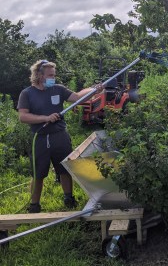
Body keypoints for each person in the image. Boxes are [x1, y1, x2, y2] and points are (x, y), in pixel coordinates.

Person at [17, 59, 103, 213]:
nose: (53, 78)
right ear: (39, 75)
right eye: (50, 75)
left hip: (60, 136)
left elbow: (77, 97)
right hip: (40, 137)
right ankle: (34, 206)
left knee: (64, 169)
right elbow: (23, 117)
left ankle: (69, 199)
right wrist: (45, 118)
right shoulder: (27, 93)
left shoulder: (58, 89)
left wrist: (93, 90)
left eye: (54, 75)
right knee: (39, 173)